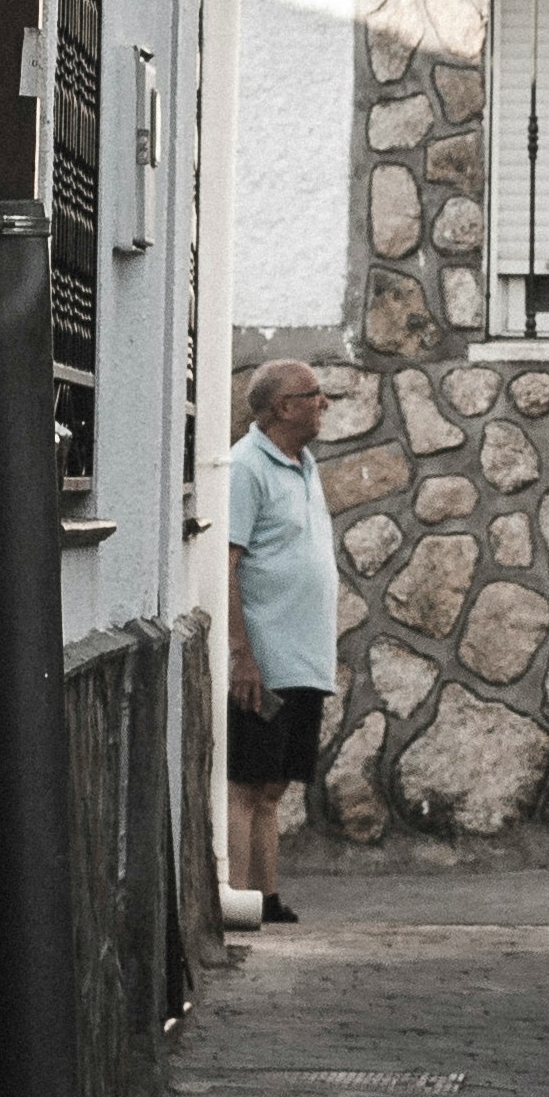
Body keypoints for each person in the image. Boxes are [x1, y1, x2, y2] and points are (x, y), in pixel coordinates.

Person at [225, 359, 338, 925]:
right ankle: (238, 902)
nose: (325, 402)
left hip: (301, 660)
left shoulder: (303, 465)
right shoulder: (247, 468)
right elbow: (228, 562)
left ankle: (265, 900)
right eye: (314, 394)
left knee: (272, 786)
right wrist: (242, 655)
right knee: (246, 782)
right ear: (282, 408)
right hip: (263, 661)